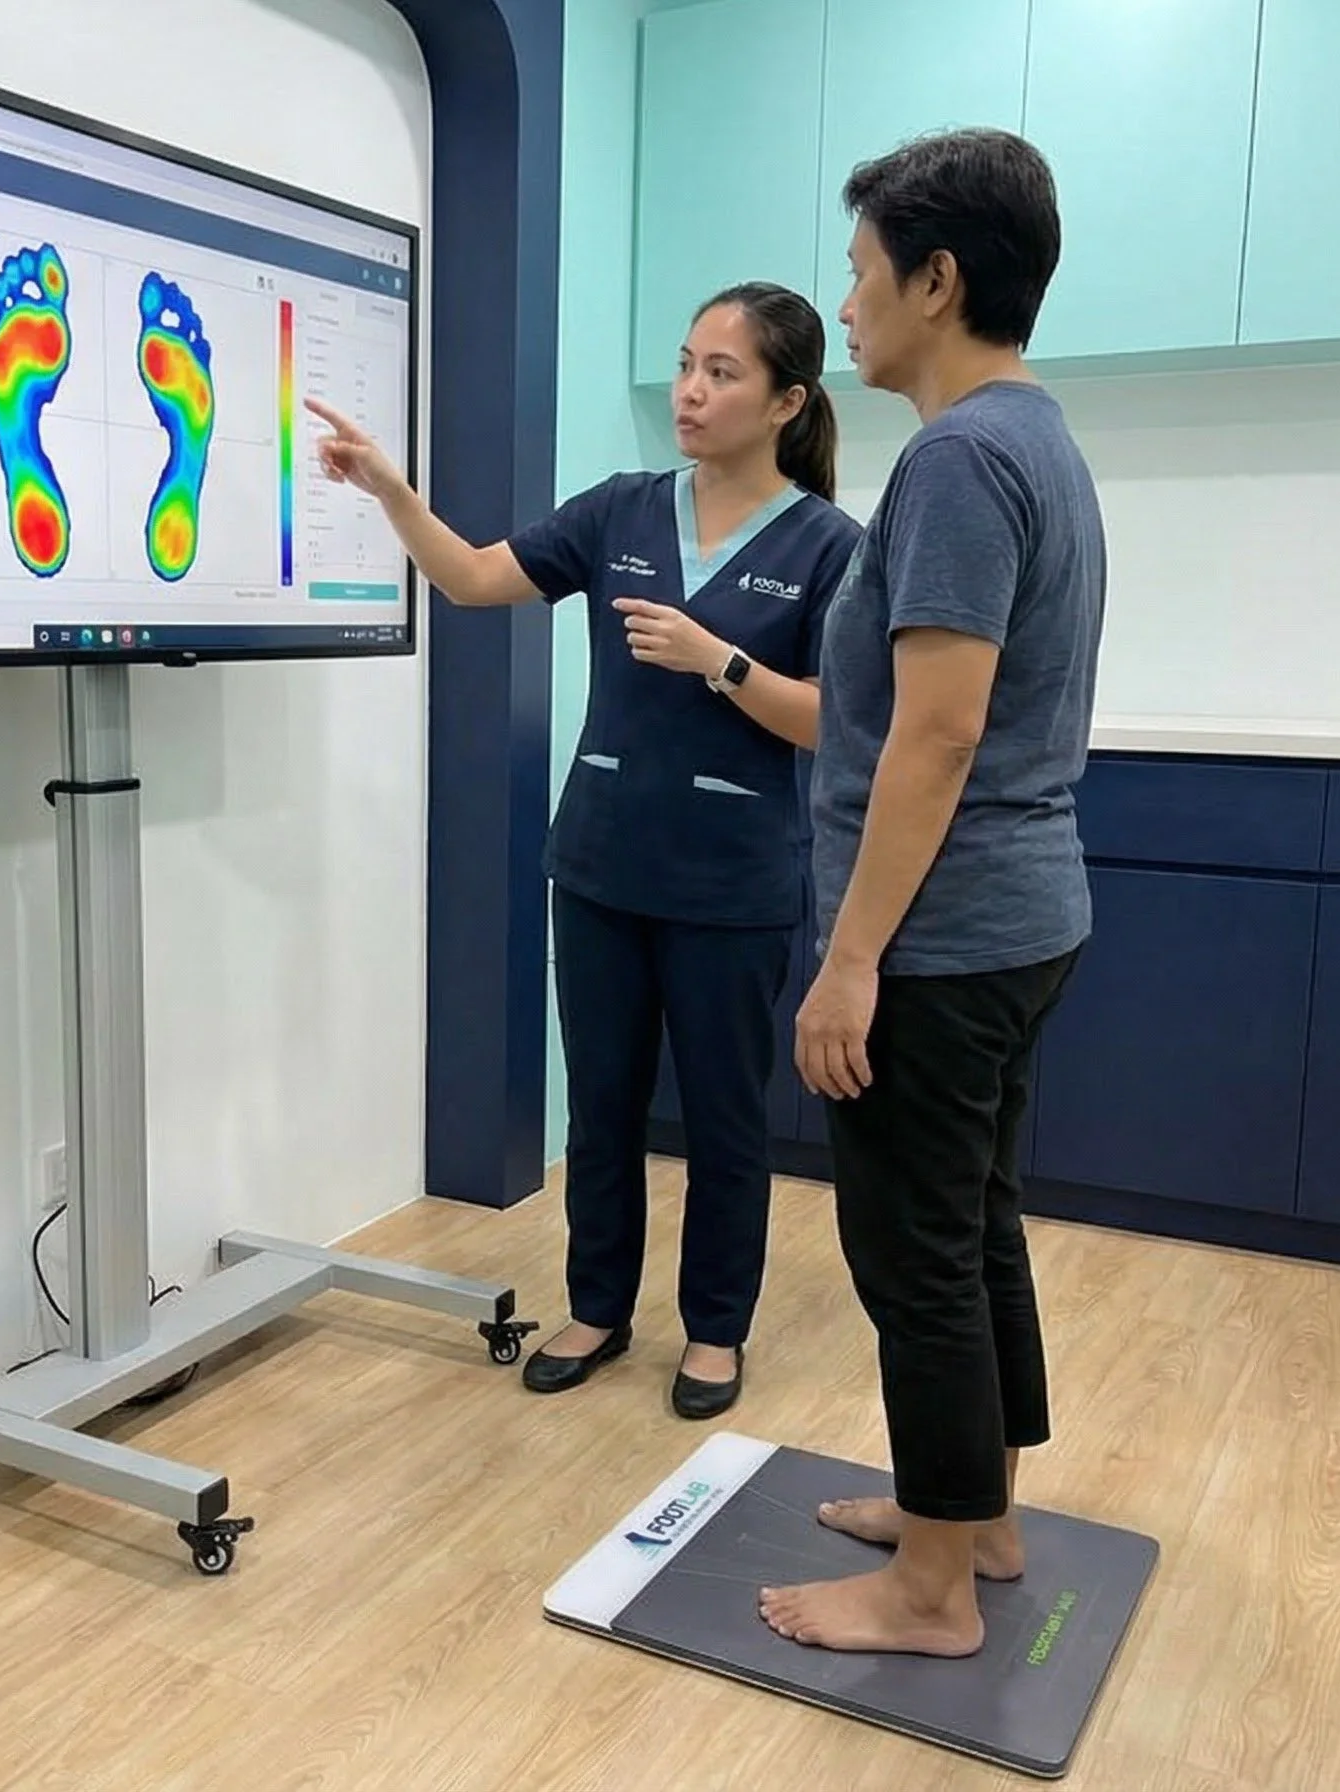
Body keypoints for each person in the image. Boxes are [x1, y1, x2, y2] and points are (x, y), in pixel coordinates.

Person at [308, 284, 862, 1420]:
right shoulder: (621, 510)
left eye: (723, 373)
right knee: (600, 1104)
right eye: (686, 365)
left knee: (722, 1121)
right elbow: (471, 579)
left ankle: (715, 1330)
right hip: (602, 867)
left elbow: (839, 722)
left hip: (733, 885)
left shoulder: (830, 547)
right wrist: (390, 492)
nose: (693, 393)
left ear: (788, 401)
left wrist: (720, 660)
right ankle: (598, 1306)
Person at [755, 130, 1106, 1654]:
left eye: (860, 273)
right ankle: (979, 1513)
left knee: (917, 1255)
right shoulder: (1034, 439)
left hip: (948, 938)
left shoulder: (962, 459)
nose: (846, 307)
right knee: (975, 1226)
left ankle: (930, 1593)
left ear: (938, 279)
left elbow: (939, 728)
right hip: (1021, 920)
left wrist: (850, 964)